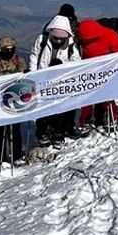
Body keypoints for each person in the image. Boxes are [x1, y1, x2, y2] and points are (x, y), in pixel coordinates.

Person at [30, 14, 82, 146]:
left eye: (61, 39)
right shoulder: (42, 40)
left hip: (61, 82)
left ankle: (58, 133)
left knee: (60, 109)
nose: (58, 41)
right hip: (43, 79)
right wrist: (32, 75)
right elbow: (35, 55)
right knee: (43, 107)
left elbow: (76, 63)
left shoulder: (71, 45)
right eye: (55, 38)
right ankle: (42, 133)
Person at [76, 18, 118, 129]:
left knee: (107, 96)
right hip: (89, 70)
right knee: (88, 97)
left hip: (105, 71)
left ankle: (112, 118)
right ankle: (86, 121)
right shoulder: (85, 36)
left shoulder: (109, 35)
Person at [0, 36, 28, 165]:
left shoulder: (19, 62)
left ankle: (17, 154)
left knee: (15, 129)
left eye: (12, 48)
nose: (10, 51)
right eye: (7, 49)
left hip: (15, 100)